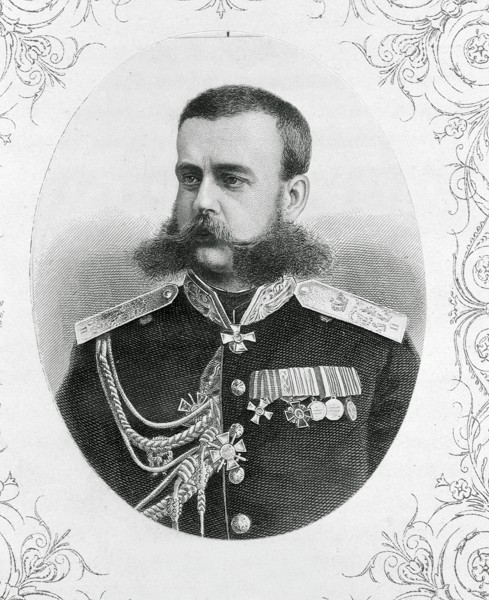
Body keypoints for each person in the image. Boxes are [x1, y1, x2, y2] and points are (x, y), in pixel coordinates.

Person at [56, 85, 420, 540]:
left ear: (291, 197)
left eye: (231, 179)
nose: (202, 202)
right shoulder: (107, 351)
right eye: (191, 178)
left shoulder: (374, 347)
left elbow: (401, 512)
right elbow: (77, 513)